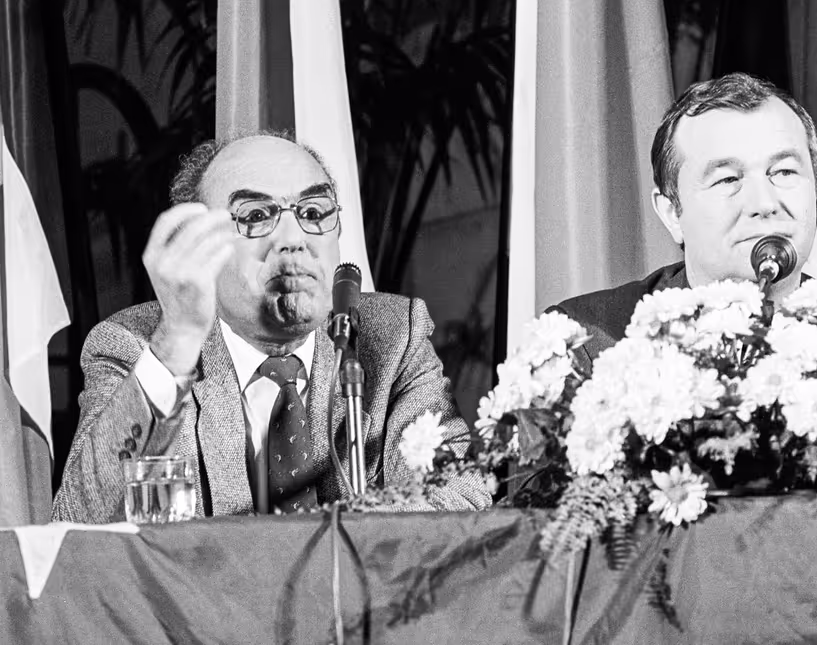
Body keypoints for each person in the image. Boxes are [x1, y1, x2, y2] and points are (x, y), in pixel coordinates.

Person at [53, 132, 490, 523]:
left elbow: (463, 496)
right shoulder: (136, 347)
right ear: (199, 242)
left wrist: (324, 548)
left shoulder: (391, 337)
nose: (294, 238)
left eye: (314, 210)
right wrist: (176, 343)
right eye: (257, 215)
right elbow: (79, 522)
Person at [552, 73, 817, 371]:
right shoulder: (587, 341)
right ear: (672, 212)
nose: (764, 203)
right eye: (728, 179)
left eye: (784, 172)